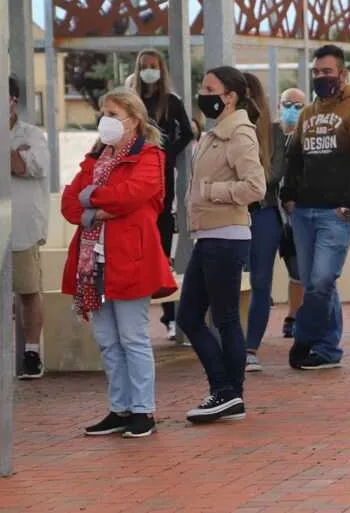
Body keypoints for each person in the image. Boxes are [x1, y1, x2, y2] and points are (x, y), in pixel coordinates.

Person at [60, 90, 177, 438]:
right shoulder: (95, 157)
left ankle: (143, 410)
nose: (105, 120)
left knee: (132, 337)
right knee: (108, 340)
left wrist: (90, 200)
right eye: (103, 113)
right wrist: (96, 210)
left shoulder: (150, 156)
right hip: (93, 264)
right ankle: (120, 408)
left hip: (130, 259)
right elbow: (69, 202)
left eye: (112, 113)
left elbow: (131, 196)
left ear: (134, 119)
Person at [177, 66, 266, 423]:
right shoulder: (215, 133)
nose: (203, 94)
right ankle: (226, 390)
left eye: (210, 89)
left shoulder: (238, 134)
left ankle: (228, 392)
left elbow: (255, 187)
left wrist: (212, 192)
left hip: (226, 236)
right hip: (209, 235)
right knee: (190, 316)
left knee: (224, 317)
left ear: (230, 97)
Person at [282, 45, 350, 371]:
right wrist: (289, 196)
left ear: (342, 74)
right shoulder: (307, 113)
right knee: (316, 283)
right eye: (316, 72)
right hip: (304, 211)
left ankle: (304, 339)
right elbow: (294, 158)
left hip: (337, 213)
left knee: (321, 280)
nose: (321, 77)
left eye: (327, 72)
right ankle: (328, 349)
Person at [127, 50, 194, 341]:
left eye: (153, 66)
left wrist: (167, 154)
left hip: (162, 179)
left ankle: (170, 315)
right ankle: (136, 314)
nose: (149, 71)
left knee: (163, 249)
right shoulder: (130, 100)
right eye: (145, 66)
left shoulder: (171, 101)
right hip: (134, 174)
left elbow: (187, 132)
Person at [243, 73, 286, 372]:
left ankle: (250, 349)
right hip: (229, 216)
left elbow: (273, 175)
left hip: (263, 213)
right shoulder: (222, 132)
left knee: (260, 282)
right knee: (230, 281)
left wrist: (240, 184)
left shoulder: (274, 132)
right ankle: (231, 342)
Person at [9, 76, 50, 380]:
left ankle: (32, 352)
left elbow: (27, 167)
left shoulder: (33, 135)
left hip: (22, 226)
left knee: (28, 289)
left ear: (13, 100)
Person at [276, 87, 307, 338]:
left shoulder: (307, 139)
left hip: (298, 214)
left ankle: (295, 317)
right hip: (271, 214)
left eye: (298, 107)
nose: (291, 111)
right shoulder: (272, 138)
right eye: (287, 105)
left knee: (299, 270)